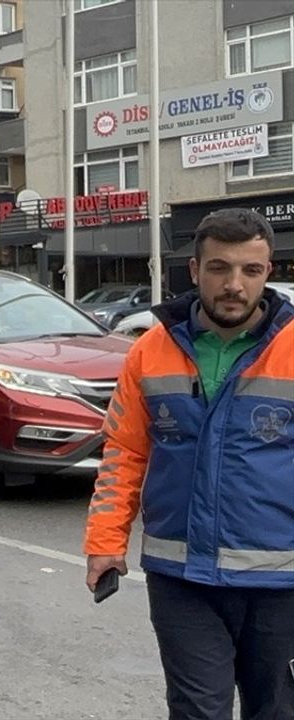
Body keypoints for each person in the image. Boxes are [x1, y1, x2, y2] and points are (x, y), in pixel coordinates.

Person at [84, 208, 293, 720]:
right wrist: (105, 544)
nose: (234, 285)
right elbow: (125, 452)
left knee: (277, 710)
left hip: (280, 581)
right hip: (181, 577)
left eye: (251, 270)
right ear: (194, 270)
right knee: (198, 710)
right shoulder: (149, 351)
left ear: (269, 273)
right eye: (220, 268)